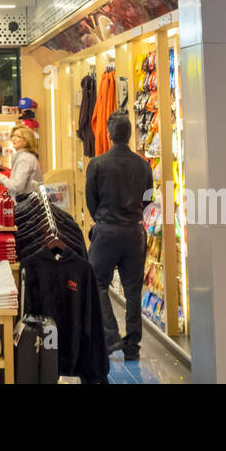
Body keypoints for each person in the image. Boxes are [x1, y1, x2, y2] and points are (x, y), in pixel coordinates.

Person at [85, 112, 154, 361]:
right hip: (134, 232)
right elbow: (149, 200)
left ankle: (111, 336)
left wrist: (102, 218)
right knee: (133, 289)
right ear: (130, 135)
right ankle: (133, 345)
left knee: (96, 282)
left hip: (106, 231)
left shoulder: (97, 164)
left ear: (109, 134)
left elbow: (90, 201)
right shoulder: (143, 165)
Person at [2, 125, 45, 198]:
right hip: (28, 204)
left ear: (26, 140)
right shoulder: (25, 157)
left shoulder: (25, 159)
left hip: (27, 206)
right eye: (13, 136)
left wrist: (2, 179)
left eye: (18, 136)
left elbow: (17, 186)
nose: (13, 139)